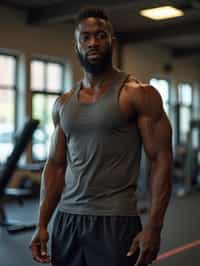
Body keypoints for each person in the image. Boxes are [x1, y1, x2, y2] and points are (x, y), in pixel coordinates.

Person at [30, 7, 173, 266]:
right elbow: (55, 165)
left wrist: (154, 226)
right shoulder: (62, 104)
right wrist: (41, 223)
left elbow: (161, 159)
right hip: (68, 219)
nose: (93, 42)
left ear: (111, 41)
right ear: (76, 45)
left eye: (100, 35)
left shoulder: (138, 94)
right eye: (85, 37)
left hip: (115, 220)